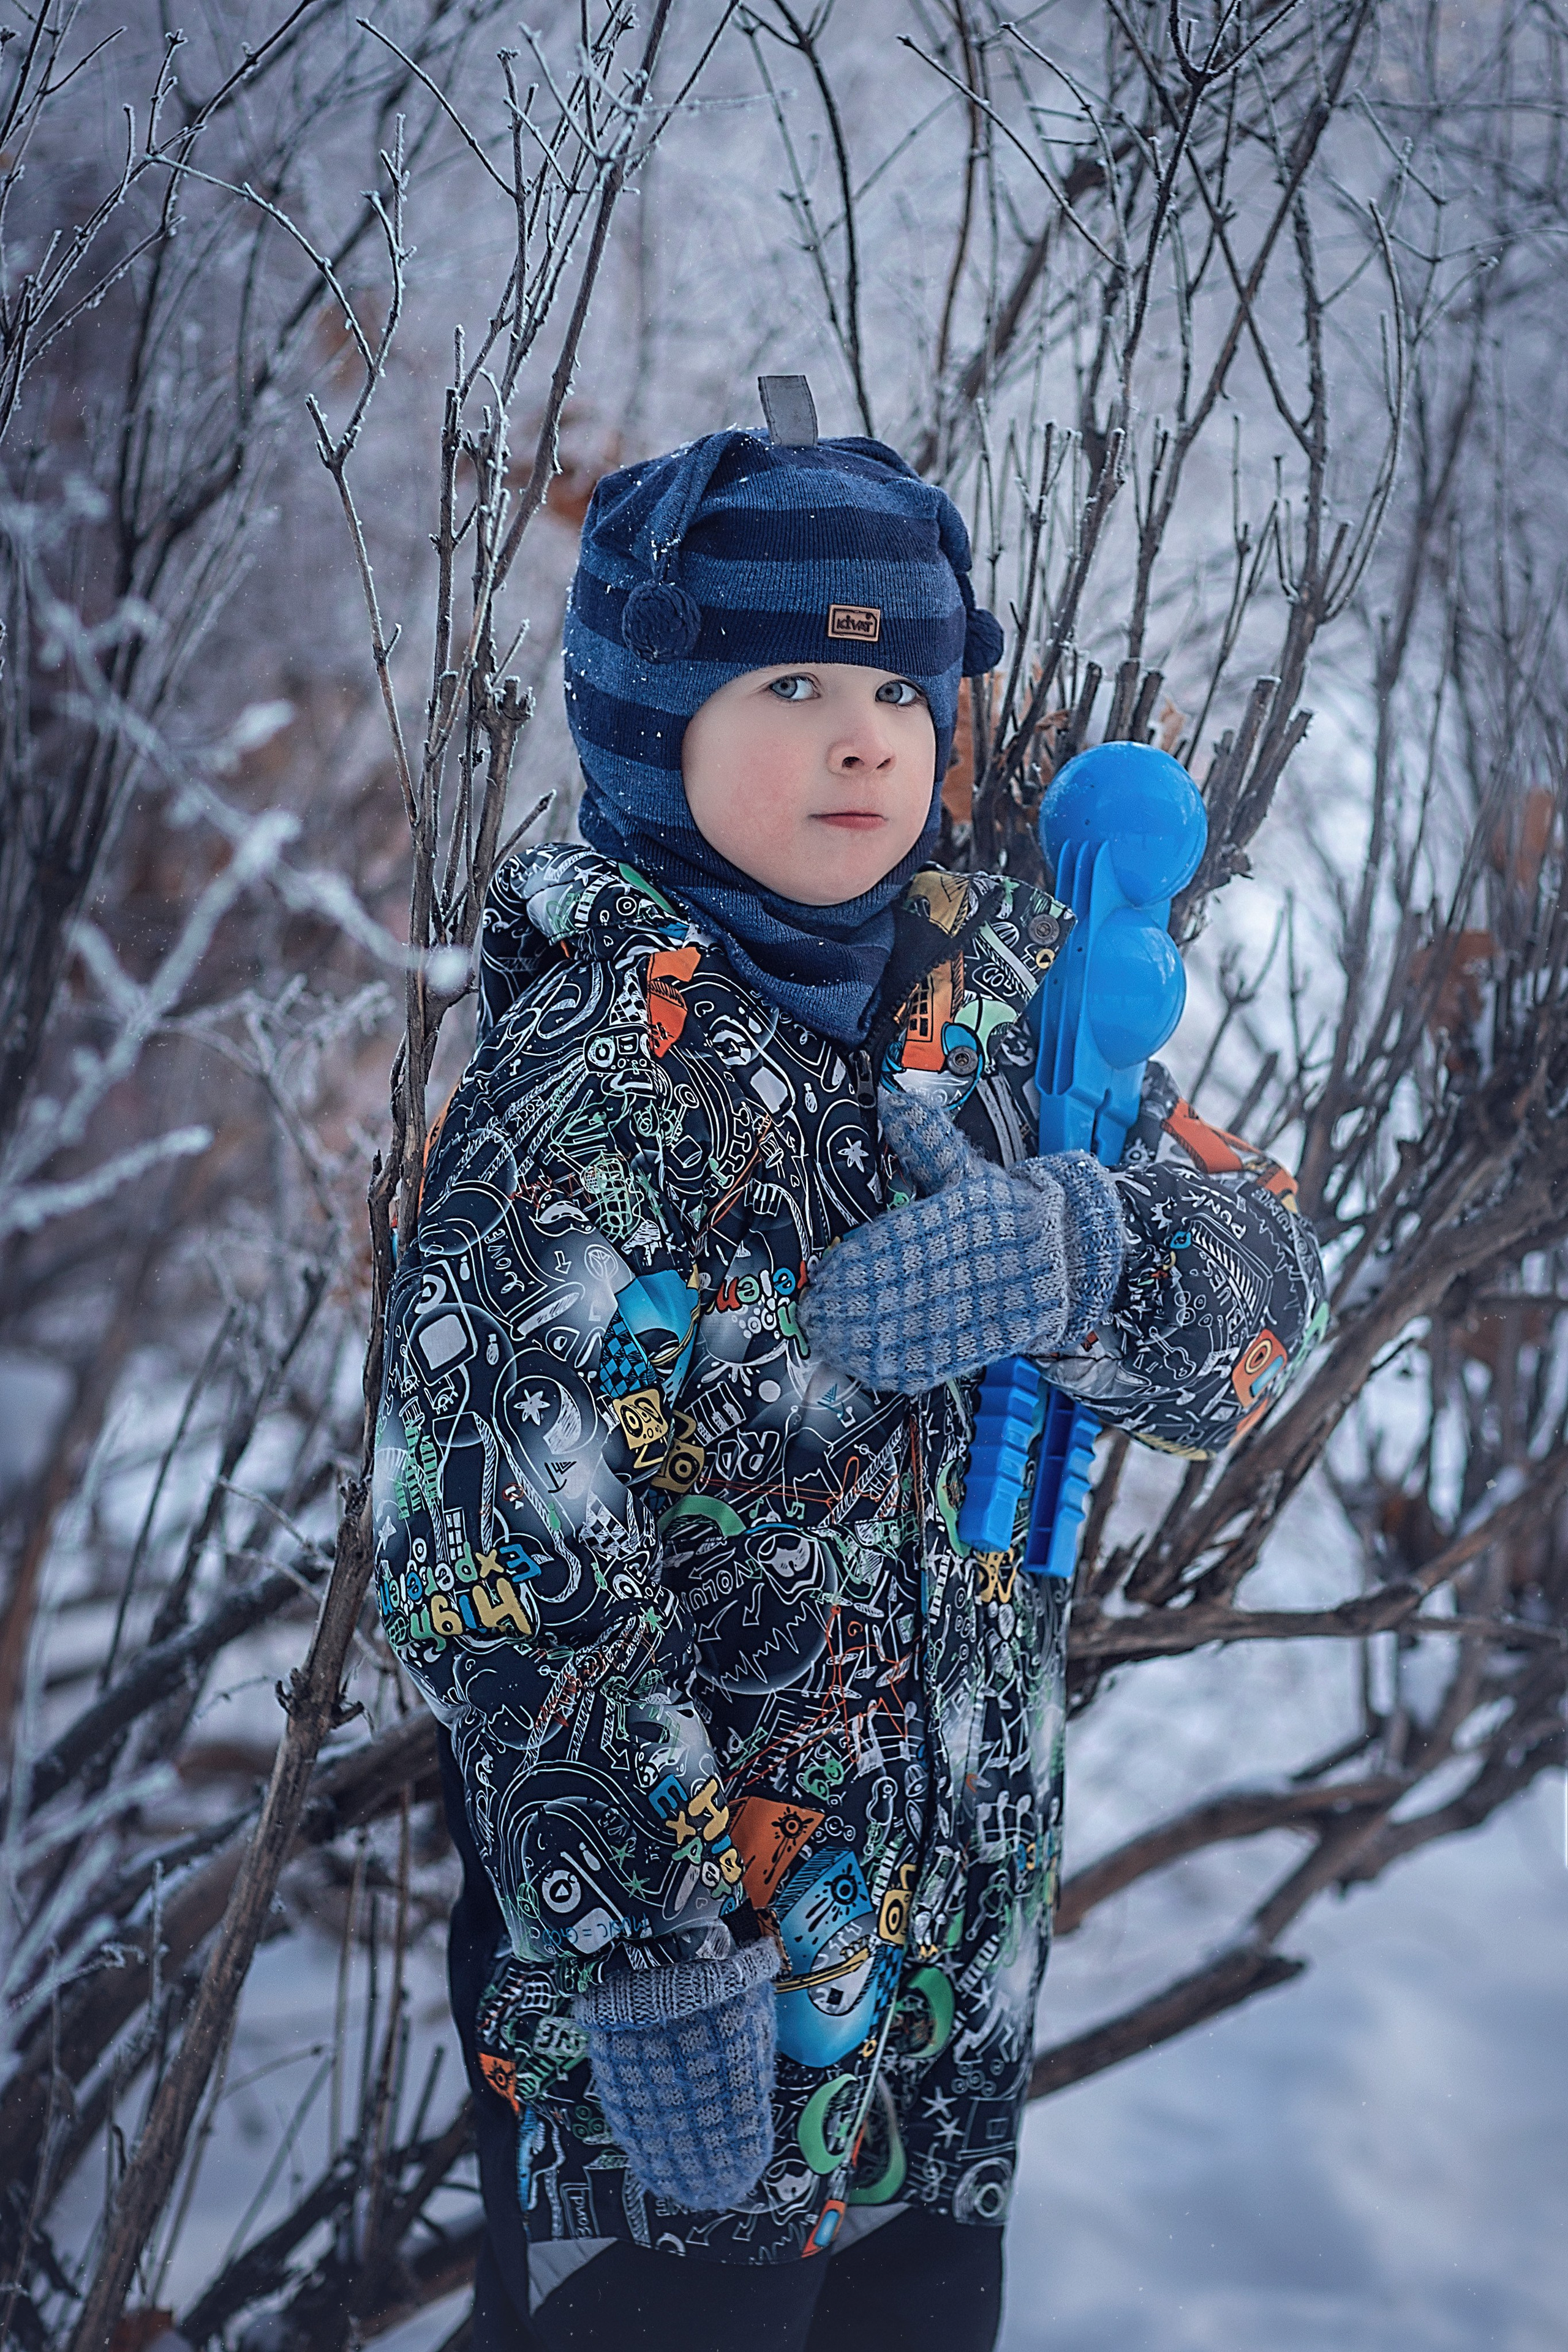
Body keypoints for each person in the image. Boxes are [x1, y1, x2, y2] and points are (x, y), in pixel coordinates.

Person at [372, 383, 1327, 2351]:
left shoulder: (1003, 1014)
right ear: (651, 721)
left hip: (948, 1997)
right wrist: (649, 1956)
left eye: (900, 689)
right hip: (688, 2026)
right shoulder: (594, 1090)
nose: (867, 738)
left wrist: (1096, 1251)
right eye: (794, 684)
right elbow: (491, 1554)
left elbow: (1269, 1297)